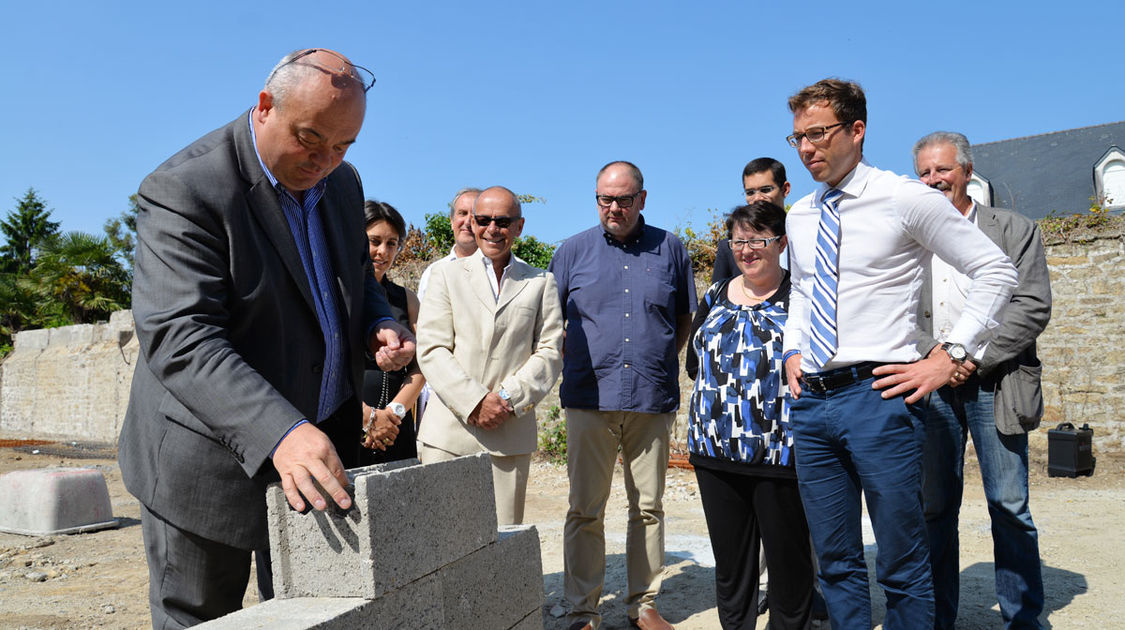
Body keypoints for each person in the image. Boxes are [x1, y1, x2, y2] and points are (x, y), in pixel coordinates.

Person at [118, 48, 415, 629]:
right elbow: (181, 337)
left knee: (315, 610)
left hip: (320, 449)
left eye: (344, 146)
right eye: (310, 139)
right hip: (205, 464)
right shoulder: (185, 188)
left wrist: (378, 322)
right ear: (264, 107)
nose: (325, 161)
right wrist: (280, 430)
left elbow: (354, 279)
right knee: (202, 618)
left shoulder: (343, 183)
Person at [780, 79, 1018, 629]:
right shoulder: (800, 214)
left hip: (880, 398)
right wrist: (793, 347)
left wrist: (951, 355)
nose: (807, 148)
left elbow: (995, 271)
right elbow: (800, 289)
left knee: (902, 561)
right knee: (836, 562)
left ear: (857, 131)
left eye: (817, 134)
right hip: (811, 403)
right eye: (798, 138)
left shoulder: (905, 198)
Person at [913, 131, 1050, 630]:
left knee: (1009, 506)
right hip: (931, 384)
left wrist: (972, 357)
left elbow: (1031, 305)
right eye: (924, 172)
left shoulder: (1014, 229)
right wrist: (935, 358)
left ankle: (1022, 619)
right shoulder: (912, 238)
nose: (932, 180)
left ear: (967, 171)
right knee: (933, 508)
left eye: (942, 170)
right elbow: (901, 309)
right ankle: (936, 619)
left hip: (998, 381)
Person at [549, 161, 696, 630]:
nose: (614, 208)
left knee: (648, 507)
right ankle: (582, 610)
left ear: (643, 199)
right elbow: (552, 326)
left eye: (624, 199)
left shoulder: (671, 248)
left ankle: (644, 605)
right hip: (589, 398)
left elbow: (682, 320)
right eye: (604, 199)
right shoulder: (571, 252)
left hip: (651, 397)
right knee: (584, 508)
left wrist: (657, 361)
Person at [686, 201, 814, 629]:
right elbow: (694, 362)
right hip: (714, 451)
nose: (747, 250)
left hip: (781, 454)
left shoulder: (802, 298)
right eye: (739, 240)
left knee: (788, 563)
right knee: (732, 566)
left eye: (757, 240)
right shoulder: (714, 295)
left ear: (781, 243)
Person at [416, 186, 563, 526]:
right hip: (447, 436)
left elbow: (550, 351)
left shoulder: (541, 283)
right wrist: (476, 402)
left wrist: (507, 399)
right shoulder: (444, 275)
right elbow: (433, 349)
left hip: (508, 436)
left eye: (502, 221)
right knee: (444, 545)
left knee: (502, 548)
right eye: (483, 220)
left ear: (519, 226)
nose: (491, 229)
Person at [359, 200, 425, 465]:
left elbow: (421, 365)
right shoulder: (336, 297)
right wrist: (367, 417)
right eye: (374, 241)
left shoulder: (407, 299)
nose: (382, 252)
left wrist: (393, 414)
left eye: (392, 243)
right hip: (347, 420)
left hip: (395, 426)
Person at [712, 158, 792, 282]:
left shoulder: (806, 235)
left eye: (766, 190)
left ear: (785, 189)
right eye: (750, 192)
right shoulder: (729, 248)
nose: (757, 198)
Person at [416, 187, 482, 298]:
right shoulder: (433, 272)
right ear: (452, 221)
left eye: (475, 215)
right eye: (462, 213)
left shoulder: (502, 271)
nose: (468, 222)